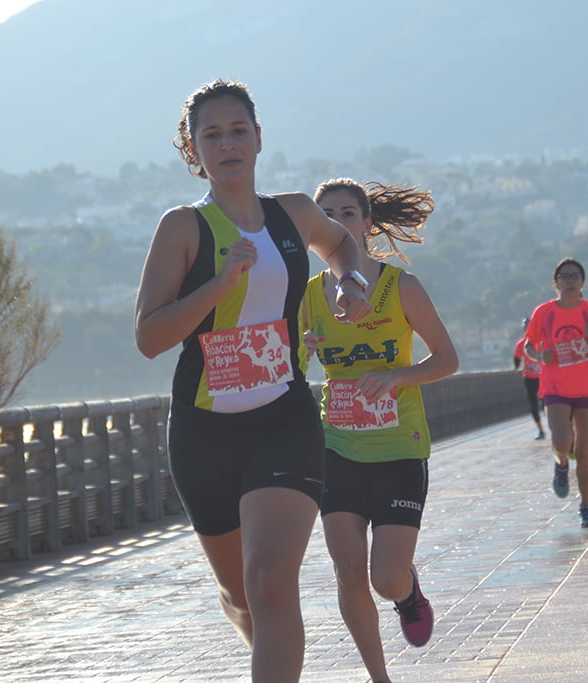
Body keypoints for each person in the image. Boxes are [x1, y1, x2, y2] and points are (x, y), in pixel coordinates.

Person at [134, 80, 372, 682]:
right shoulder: (183, 229)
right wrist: (218, 286)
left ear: (259, 139)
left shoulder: (291, 213)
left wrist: (350, 283)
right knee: (243, 595)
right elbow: (149, 337)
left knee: (269, 582)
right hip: (203, 431)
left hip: (283, 420)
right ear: (195, 152)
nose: (228, 144)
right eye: (212, 135)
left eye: (238, 130)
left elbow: (342, 244)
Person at [303, 178, 458, 683]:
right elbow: (283, 365)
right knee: (348, 572)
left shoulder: (400, 288)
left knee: (384, 579)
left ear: (367, 224)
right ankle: (379, 677)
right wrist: (298, 349)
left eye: (348, 213)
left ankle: (407, 592)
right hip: (337, 445)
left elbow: (447, 359)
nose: (338, 223)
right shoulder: (305, 297)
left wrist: (396, 376)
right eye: (326, 215)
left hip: (398, 446)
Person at [523, 258, 588, 528]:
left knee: (585, 451)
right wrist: (541, 356)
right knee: (562, 441)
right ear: (556, 283)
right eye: (565, 276)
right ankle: (561, 464)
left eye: (575, 276)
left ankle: (585, 505)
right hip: (556, 387)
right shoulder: (544, 312)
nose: (570, 281)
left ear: (583, 282)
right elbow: (529, 345)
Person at [514, 317, 546, 439]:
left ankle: (553, 427)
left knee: (545, 404)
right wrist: (518, 368)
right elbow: (516, 359)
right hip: (529, 377)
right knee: (533, 405)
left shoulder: (542, 342)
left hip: (543, 377)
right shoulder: (521, 344)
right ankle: (540, 429)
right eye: (525, 327)